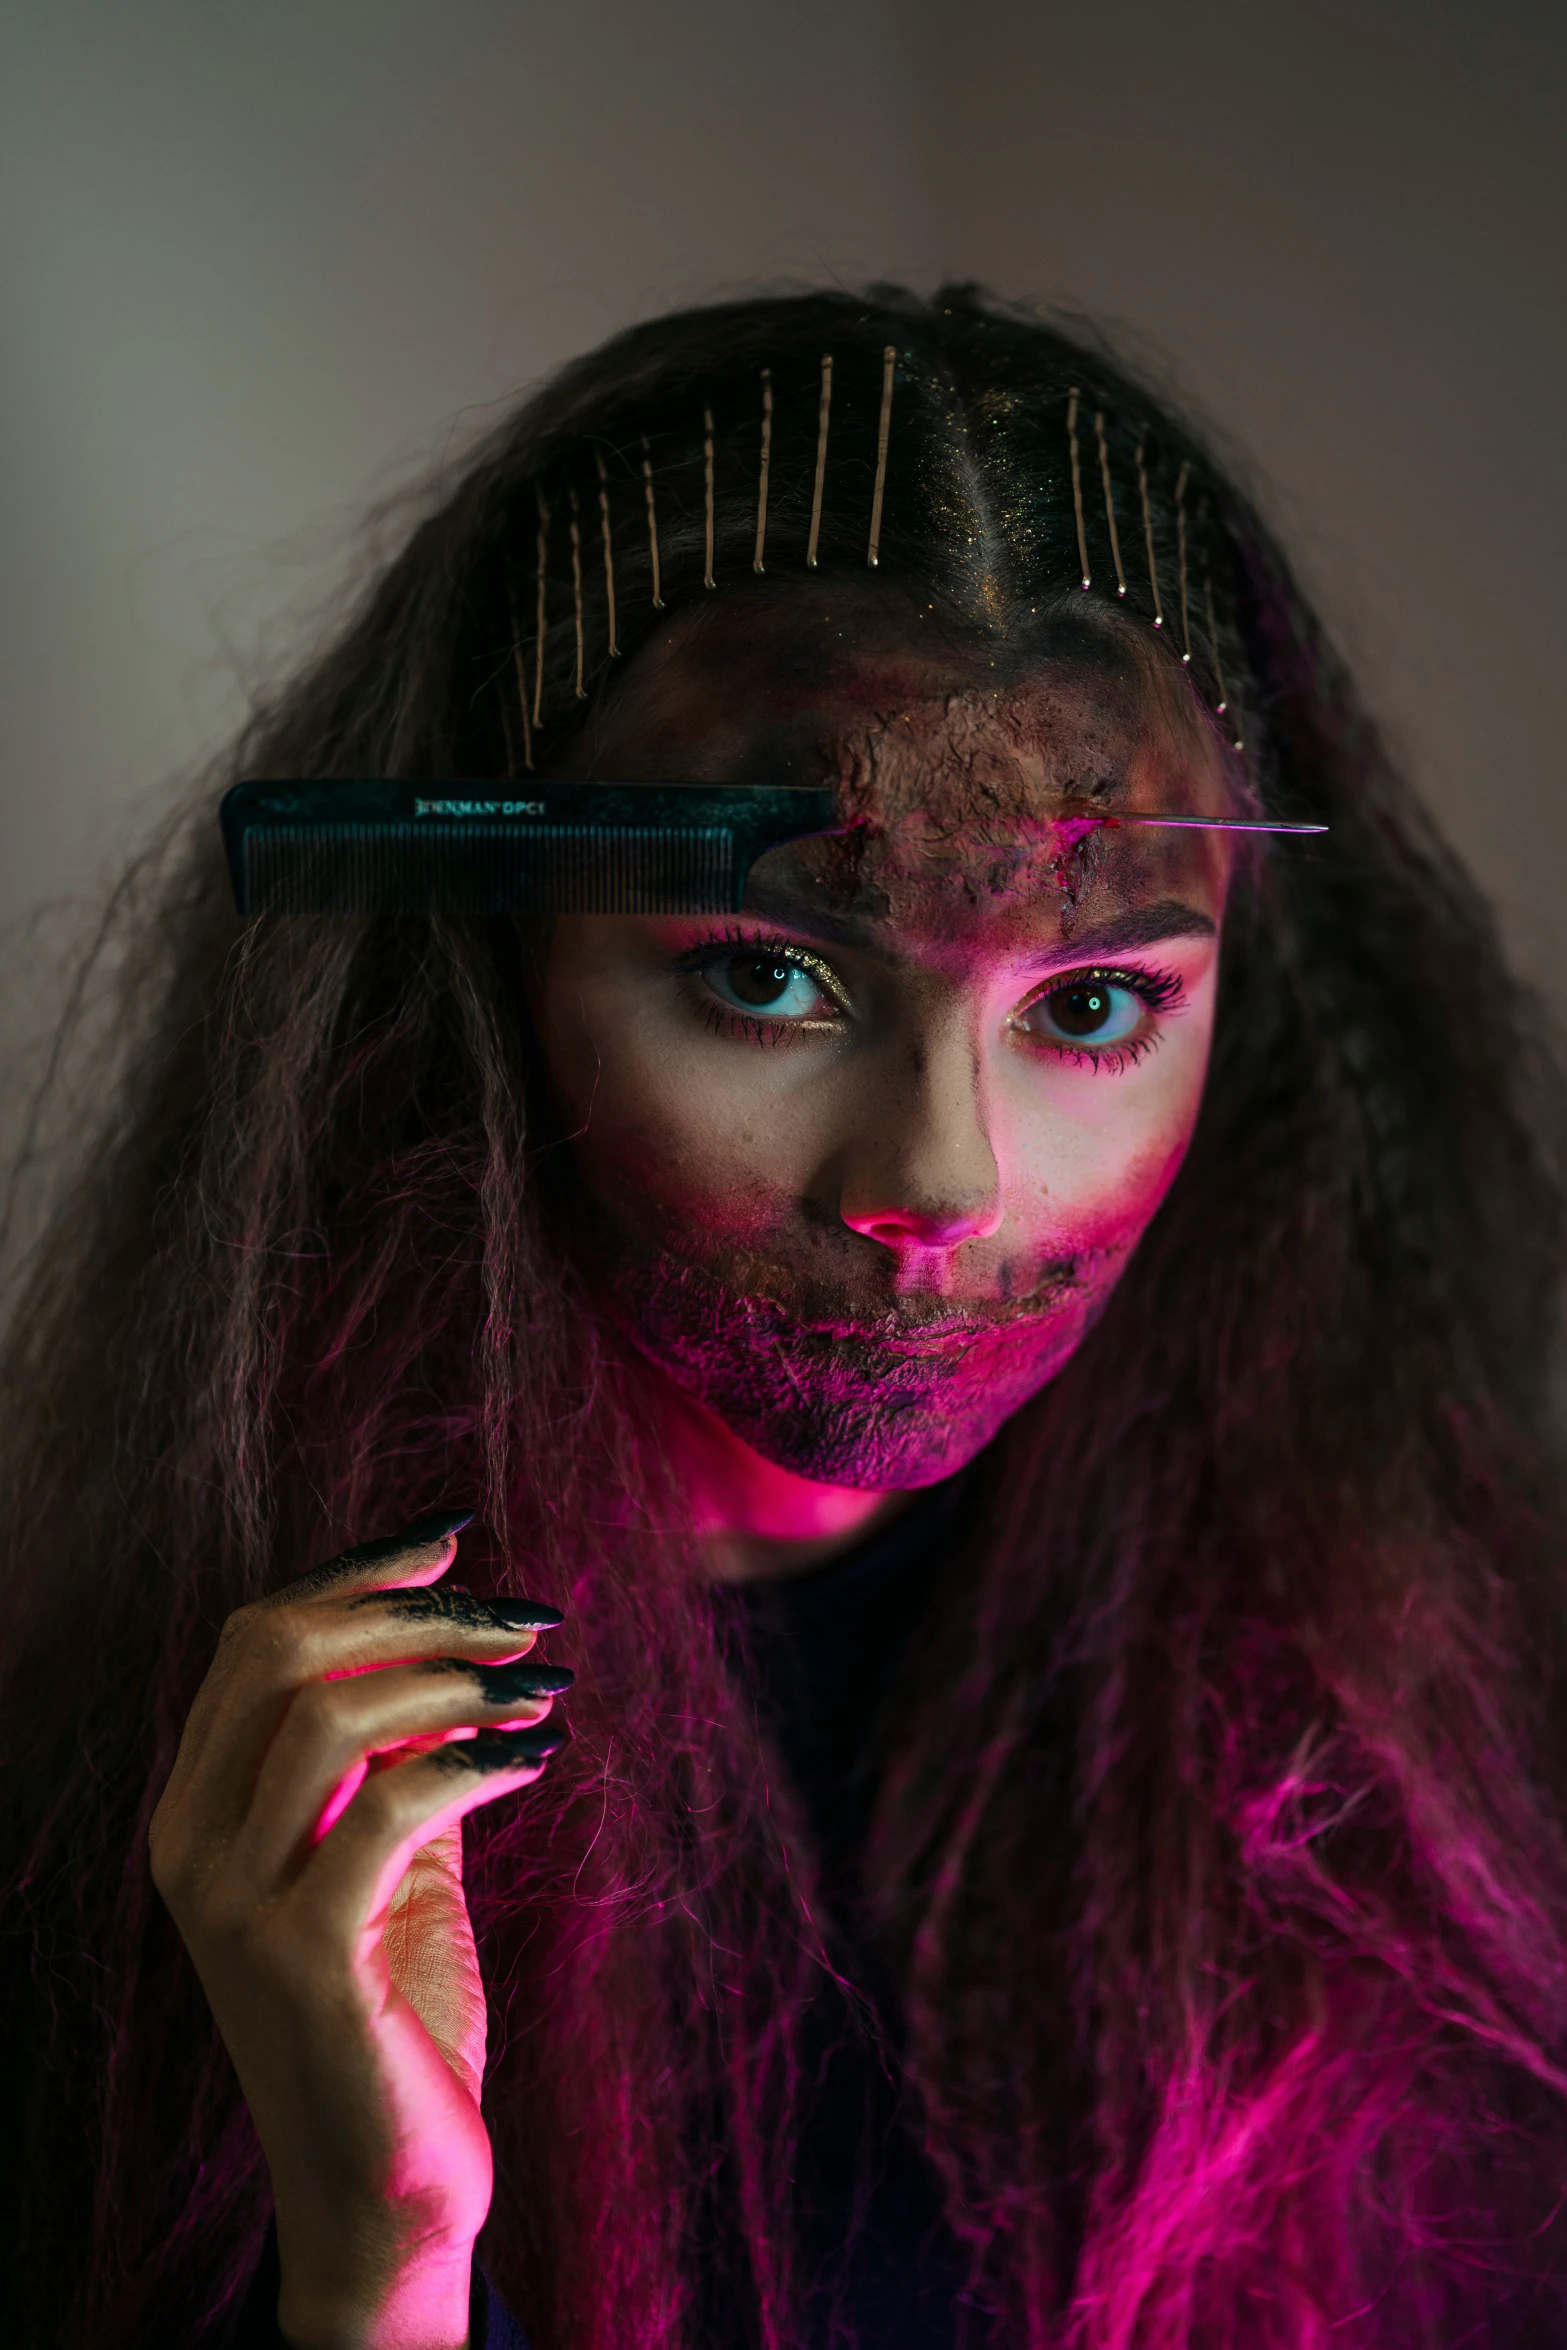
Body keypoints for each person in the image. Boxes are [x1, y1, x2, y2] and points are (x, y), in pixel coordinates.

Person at [1, 285, 1564, 2350]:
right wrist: (376, 2261)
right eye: (766, 978)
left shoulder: (1438, 1752)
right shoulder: (160, 1804)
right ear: (483, 976)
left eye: (1092, 1006)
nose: (935, 1184)